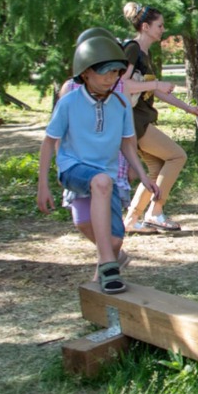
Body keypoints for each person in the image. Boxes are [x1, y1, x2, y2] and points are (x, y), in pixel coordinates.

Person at [37, 36, 158, 294]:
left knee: (114, 240)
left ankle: (99, 282)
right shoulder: (69, 102)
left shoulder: (122, 103)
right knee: (93, 200)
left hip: (106, 176)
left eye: (116, 72)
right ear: (86, 72)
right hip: (73, 168)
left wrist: (143, 174)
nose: (111, 78)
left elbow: (127, 144)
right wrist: (43, 185)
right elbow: (49, 142)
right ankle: (108, 267)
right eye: (105, 72)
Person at [120, 2, 198, 232]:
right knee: (177, 156)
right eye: (159, 25)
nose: (163, 29)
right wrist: (156, 82)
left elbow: (153, 91)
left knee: (156, 170)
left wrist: (189, 109)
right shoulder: (132, 49)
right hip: (134, 122)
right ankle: (155, 213)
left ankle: (131, 220)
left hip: (141, 120)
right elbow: (122, 85)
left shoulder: (144, 54)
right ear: (145, 26)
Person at [58, 28, 134, 274]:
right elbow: (59, 132)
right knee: (82, 221)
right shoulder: (69, 90)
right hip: (79, 166)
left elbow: (124, 131)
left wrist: (133, 165)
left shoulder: (117, 87)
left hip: (111, 165)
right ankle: (111, 256)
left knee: (114, 232)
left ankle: (104, 269)